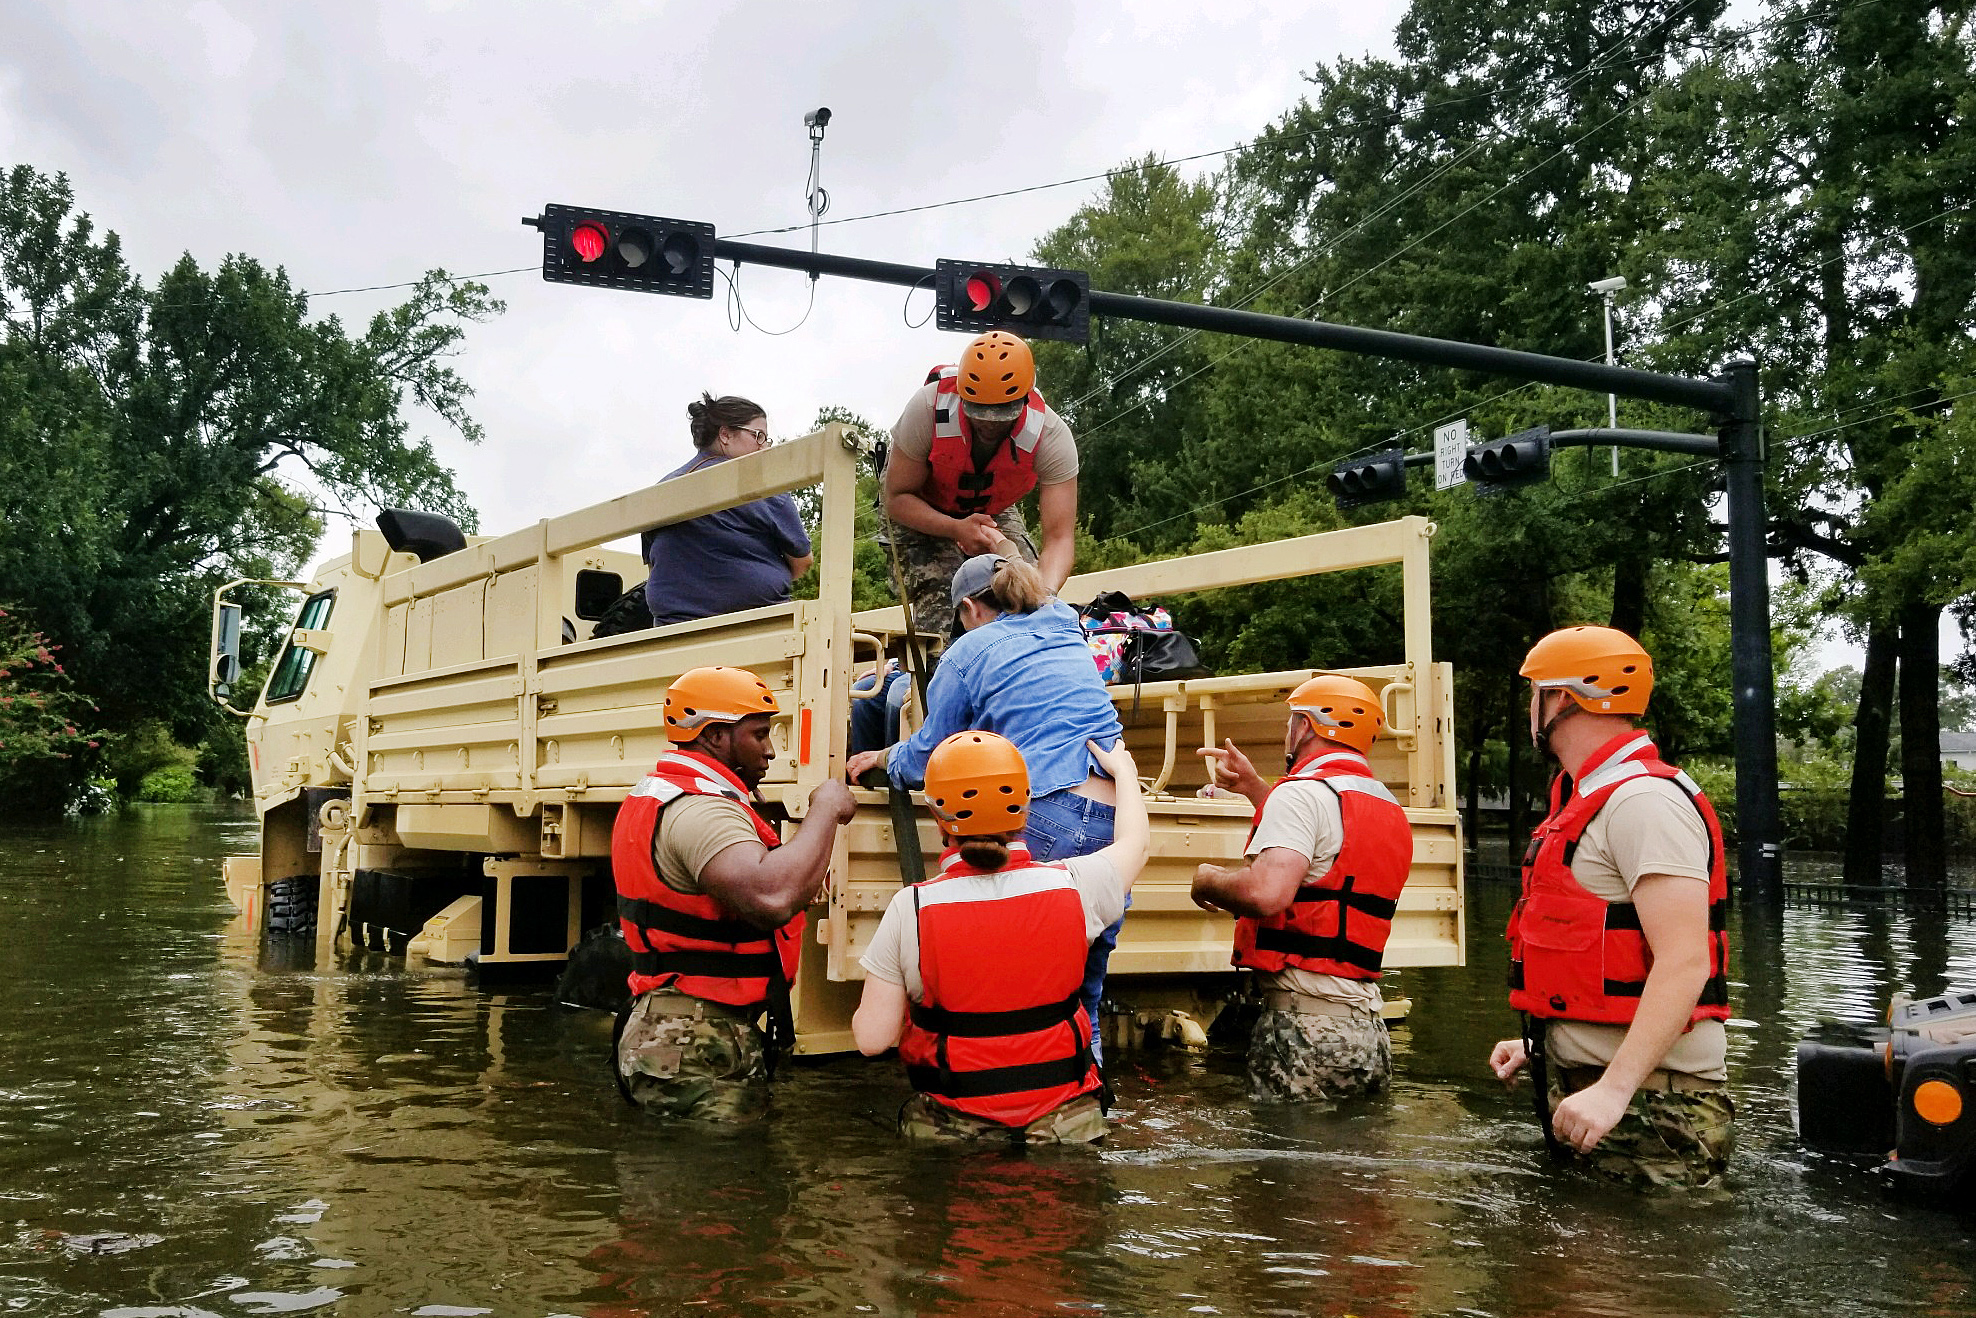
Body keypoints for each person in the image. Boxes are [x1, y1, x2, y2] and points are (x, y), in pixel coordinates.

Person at [845, 554, 1130, 1062]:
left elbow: (936, 753)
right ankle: (1084, 1103)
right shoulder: (1067, 628)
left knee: (1010, 982)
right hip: (1113, 811)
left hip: (1044, 806)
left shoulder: (969, 650)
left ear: (971, 608)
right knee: (1082, 993)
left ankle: (995, 1101)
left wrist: (883, 760)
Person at [1487, 626, 1734, 1189]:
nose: (1530, 707)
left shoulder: (1643, 803)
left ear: (1563, 698)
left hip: (1651, 1109)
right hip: (1606, 1093)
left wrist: (1615, 1088)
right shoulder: (1592, 797)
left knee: (1628, 1277)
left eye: (1535, 692)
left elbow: (1685, 962)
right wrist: (1545, 1041)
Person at [851, 731, 1148, 1143]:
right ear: (1024, 809)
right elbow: (1136, 843)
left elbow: (871, 1040)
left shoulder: (911, 909)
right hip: (1066, 1128)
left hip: (957, 1136)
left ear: (938, 816)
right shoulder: (1075, 886)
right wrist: (1124, 773)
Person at [610, 665, 856, 1124]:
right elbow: (772, 897)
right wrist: (825, 808)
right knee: (712, 1184)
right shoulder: (701, 810)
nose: (770, 751)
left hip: (687, 1027)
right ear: (716, 736)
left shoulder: (678, 795)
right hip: (690, 1037)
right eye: (759, 735)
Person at [1190, 675, 1414, 1100]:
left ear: (1307, 726)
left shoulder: (1302, 796)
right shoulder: (1386, 804)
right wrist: (1257, 790)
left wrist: (1207, 879)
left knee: (1288, 1162)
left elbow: (1265, 893)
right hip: (1367, 1029)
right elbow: (1327, 855)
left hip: (1305, 1028)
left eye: (1290, 721)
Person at [883, 331, 1079, 633]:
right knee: (945, 598)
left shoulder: (1052, 436)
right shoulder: (926, 409)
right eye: (979, 412)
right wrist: (955, 528)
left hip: (991, 509)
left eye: (1002, 414)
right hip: (917, 507)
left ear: (1023, 400)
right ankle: (943, 668)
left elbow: (1060, 538)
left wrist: (1044, 597)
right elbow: (896, 498)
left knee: (1021, 587)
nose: (989, 423)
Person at [644, 394, 813, 628]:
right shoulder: (761, 487)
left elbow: (654, 563)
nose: (764, 447)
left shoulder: (658, 492)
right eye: (759, 436)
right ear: (725, 435)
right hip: (758, 627)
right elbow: (803, 561)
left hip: (672, 630)